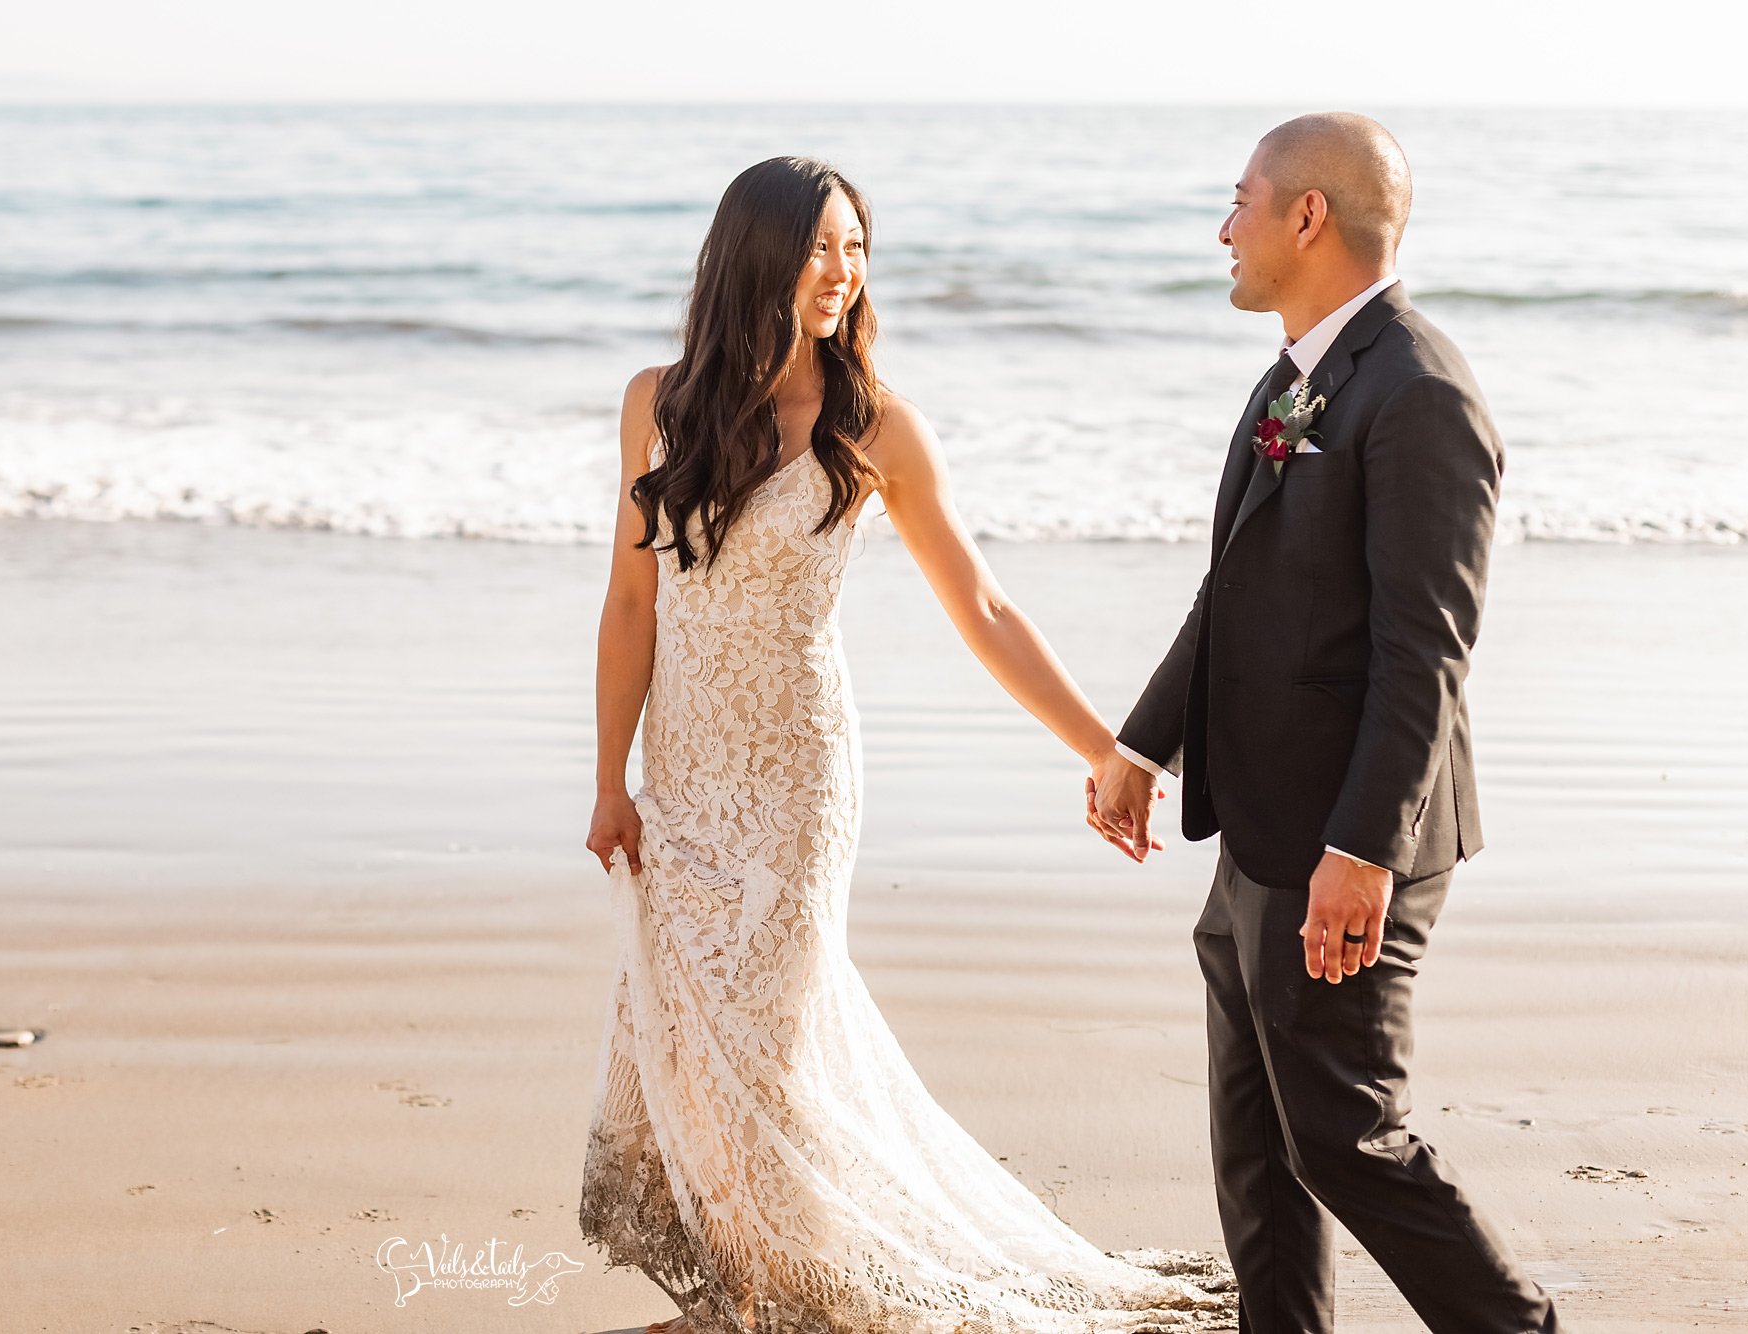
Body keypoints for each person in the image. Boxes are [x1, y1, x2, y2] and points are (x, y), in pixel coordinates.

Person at [579, 156, 1232, 1334]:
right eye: (822, 246)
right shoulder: (655, 400)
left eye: (856, 248)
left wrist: (1106, 747)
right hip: (680, 776)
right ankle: (752, 1287)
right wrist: (606, 778)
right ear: (754, 256)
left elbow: (980, 606)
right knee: (690, 1041)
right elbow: (631, 606)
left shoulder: (872, 424)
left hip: (795, 779)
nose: (843, 271)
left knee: (767, 1045)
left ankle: (786, 1295)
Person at [1089, 112, 1567, 1333]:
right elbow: (1234, 590)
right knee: (1257, 1142)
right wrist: (1141, 744)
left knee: (1344, 1137)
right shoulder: (1294, 375)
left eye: (1239, 200)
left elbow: (1425, 656)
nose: (1223, 227)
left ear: (1308, 216)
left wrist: (1359, 852)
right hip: (1260, 827)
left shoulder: (1417, 394)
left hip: (1352, 838)